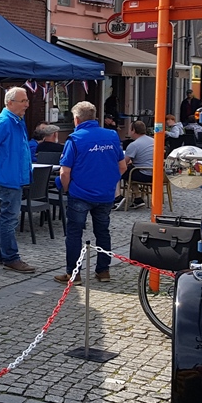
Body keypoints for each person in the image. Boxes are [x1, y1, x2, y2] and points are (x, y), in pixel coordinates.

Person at [54, 102, 126, 283]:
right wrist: (109, 183)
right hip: (105, 194)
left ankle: (73, 274)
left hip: (80, 194)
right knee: (103, 232)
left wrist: (66, 188)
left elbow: (65, 172)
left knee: (74, 233)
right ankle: (103, 271)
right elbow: (122, 166)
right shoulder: (111, 136)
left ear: (77, 119)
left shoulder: (74, 139)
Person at [0, 87, 36, 273]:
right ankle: (11, 258)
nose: (27, 104)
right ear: (10, 103)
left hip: (14, 178)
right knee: (9, 219)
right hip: (7, 179)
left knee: (6, 218)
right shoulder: (4, 122)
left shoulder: (16, 121)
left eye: (27, 100)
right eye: (23, 101)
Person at [113, 120, 154, 210]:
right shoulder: (153, 141)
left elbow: (123, 163)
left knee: (117, 171)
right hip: (157, 174)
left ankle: (117, 197)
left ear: (133, 130)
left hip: (143, 173)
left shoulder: (134, 145)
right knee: (130, 171)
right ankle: (137, 198)